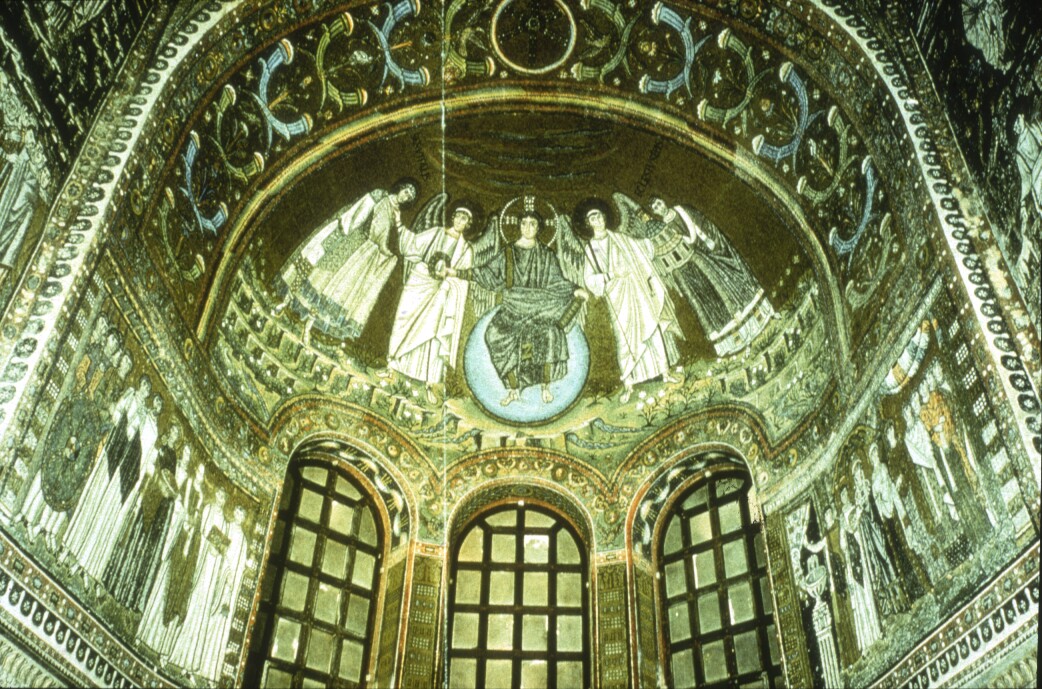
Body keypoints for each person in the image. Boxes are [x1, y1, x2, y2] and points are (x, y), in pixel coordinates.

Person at [458, 211, 587, 405]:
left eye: (532, 223)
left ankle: (545, 387)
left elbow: (557, 282)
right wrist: (457, 273)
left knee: (548, 334)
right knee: (494, 335)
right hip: (513, 308)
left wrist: (575, 289)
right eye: (524, 223)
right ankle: (513, 389)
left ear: (538, 227)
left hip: (541, 308)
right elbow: (487, 273)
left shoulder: (547, 255)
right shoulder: (508, 253)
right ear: (519, 226)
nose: (528, 227)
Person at [272, 178, 418, 344]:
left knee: (326, 287)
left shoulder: (395, 213)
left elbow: (380, 238)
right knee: (310, 267)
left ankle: (308, 327)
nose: (406, 196)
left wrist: (387, 253)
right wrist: (343, 231)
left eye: (410, 197)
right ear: (401, 188)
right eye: (406, 191)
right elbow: (357, 213)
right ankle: (284, 302)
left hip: (357, 250)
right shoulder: (379, 195)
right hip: (345, 237)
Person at [579, 202, 679, 402]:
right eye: (592, 218)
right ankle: (629, 384)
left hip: (636, 289)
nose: (597, 220)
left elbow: (642, 250)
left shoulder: (621, 238)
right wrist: (611, 275)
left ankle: (665, 372)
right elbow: (590, 280)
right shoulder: (589, 249)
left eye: (599, 215)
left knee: (652, 328)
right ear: (588, 223)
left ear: (604, 217)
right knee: (625, 340)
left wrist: (657, 236)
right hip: (616, 296)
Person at [648, 197, 775, 356]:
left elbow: (701, 223)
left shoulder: (681, 209)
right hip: (697, 259)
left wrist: (708, 239)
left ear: (663, 201)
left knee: (732, 277)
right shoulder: (665, 230)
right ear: (655, 213)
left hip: (710, 247)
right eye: (655, 208)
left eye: (659, 203)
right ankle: (740, 336)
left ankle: (763, 312)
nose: (659, 207)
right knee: (716, 293)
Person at [385, 203, 475, 401]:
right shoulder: (436, 232)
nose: (460, 221)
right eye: (458, 216)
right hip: (420, 282)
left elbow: (463, 280)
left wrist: (448, 281)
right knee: (403, 323)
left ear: (468, 224)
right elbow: (412, 245)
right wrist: (399, 222)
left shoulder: (466, 250)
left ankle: (429, 383)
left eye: (464, 219)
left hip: (442, 292)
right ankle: (392, 367)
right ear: (453, 217)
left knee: (433, 333)